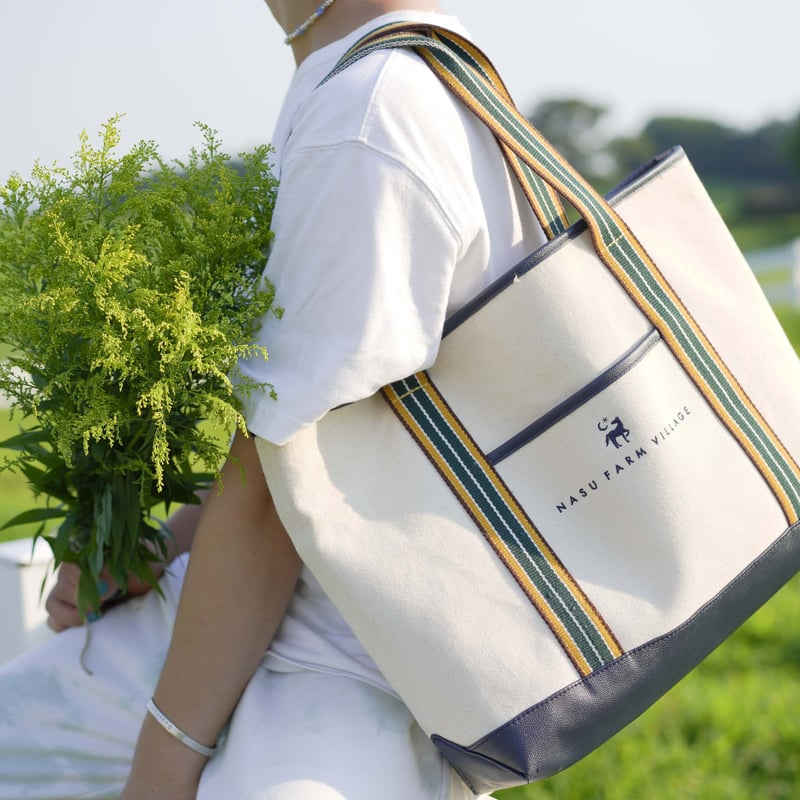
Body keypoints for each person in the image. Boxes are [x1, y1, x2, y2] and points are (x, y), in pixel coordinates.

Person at [0, 1, 547, 798]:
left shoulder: (365, 118)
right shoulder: (409, 73)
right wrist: (159, 548)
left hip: (343, 665)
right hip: (310, 623)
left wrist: (166, 757)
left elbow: (285, 485)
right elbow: (323, 434)